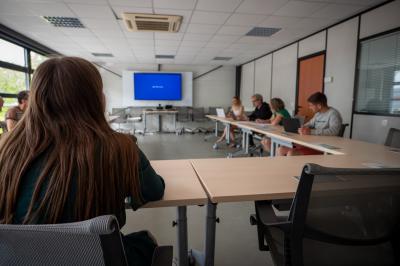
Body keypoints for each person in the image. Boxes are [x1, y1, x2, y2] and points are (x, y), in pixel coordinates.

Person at [0, 57, 165, 266]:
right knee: (145, 243)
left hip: (19, 258)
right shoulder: (119, 147)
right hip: (97, 258)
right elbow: (154, 191)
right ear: (94, 98)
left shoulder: (7, 150)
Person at [278, 92, 343, 156]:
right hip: (312, 143)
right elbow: (310, 123)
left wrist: (311, 132)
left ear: (319, 105)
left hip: (322, 148)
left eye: (311, 105)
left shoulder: (333, 114)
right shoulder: (318, 114)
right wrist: (302, 127)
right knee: (281, 149)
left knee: (291, 153)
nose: (310, 107)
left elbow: (334, 131)